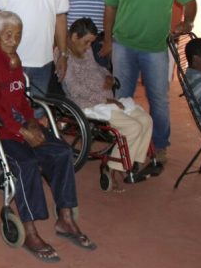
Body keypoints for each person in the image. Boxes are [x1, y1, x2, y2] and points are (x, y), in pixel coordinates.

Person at [0, 11, 95, 263]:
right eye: (8, 35)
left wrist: (32, 122)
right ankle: (30, 231)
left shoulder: (13, 59)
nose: (13, 40)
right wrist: (22, 130)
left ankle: (65, 219)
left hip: (14, 124)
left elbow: (21, 99)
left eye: (18, 35)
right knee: (26, 163)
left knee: (61, 151)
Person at [103, 0, 197, 164]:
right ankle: (124, 140)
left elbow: (189, 0)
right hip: (123, 46)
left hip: (155, 49)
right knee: (122, 96)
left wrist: (188, 22)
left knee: (159, 99)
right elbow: (110, 7)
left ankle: (161, 144)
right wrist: (107, 40)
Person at [62, 18, 153, 189]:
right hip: (88, 104)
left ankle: (133, 162)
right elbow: (75, 89)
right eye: (86, 42)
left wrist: (108, 75)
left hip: (107, 101)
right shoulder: (63, 56)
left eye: (91, 42)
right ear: (74, 36)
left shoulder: (85, 51)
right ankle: (112, 168)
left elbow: (96, 68)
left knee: (146, 120)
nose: (89, 46)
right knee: (133, 127)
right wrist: (105, 99)